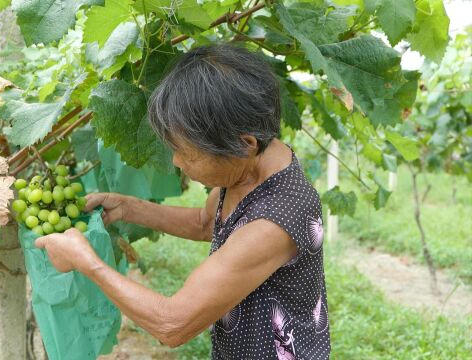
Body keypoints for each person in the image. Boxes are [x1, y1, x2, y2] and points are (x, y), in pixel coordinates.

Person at [35, 44, 331, 359]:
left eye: (188, 153)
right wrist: (129, 208)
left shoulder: (274, 220)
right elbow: (206, 223)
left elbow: (173, 324)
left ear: (244, 144)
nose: (177, 161)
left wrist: (87, 263)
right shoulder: (254, 164)